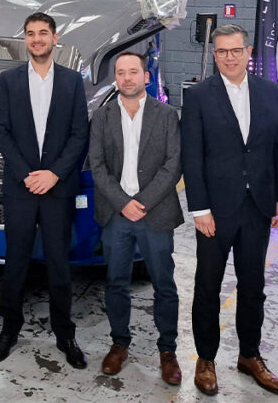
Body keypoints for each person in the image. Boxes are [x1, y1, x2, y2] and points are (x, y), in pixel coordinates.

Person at [181, 23, 278, 396]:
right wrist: (199, 208)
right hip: (215, 209)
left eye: (235, 50)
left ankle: (250, 355)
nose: (229, 57)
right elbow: (192, 155)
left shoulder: (269, 92)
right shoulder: (199, 96)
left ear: (248, 53)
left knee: (253, 286)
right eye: (222, 52)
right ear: (214, 55)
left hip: (258, 206)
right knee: (207, 286)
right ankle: (206, 359)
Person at [0, 12, 89, 369]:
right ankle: (9, 329)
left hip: (57, 189)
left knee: (59, 263)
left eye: (43, 33)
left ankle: (65, 334)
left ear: (55, 38)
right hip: (21, 188)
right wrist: (27, 174)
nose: (37, 39)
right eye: (30, 33)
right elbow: (1, 131)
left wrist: (54, 174)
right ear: (25, 40)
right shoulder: (10, 80)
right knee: (15, 261)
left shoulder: (72, 81)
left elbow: (79, 133)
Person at [88, 51, 183, 384]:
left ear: (146, 77)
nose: (127, 78)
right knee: (116, 281)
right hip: (116, 215)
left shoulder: (167, 115)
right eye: (120, 72)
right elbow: (97, 166)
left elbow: (173, 165)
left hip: (155, 213)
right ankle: (119, 343)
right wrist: (123, 203)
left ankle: (168, 350)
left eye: (133, 72)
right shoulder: (102, 116)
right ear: (115, 78)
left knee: (164, 284)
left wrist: (141, 203)